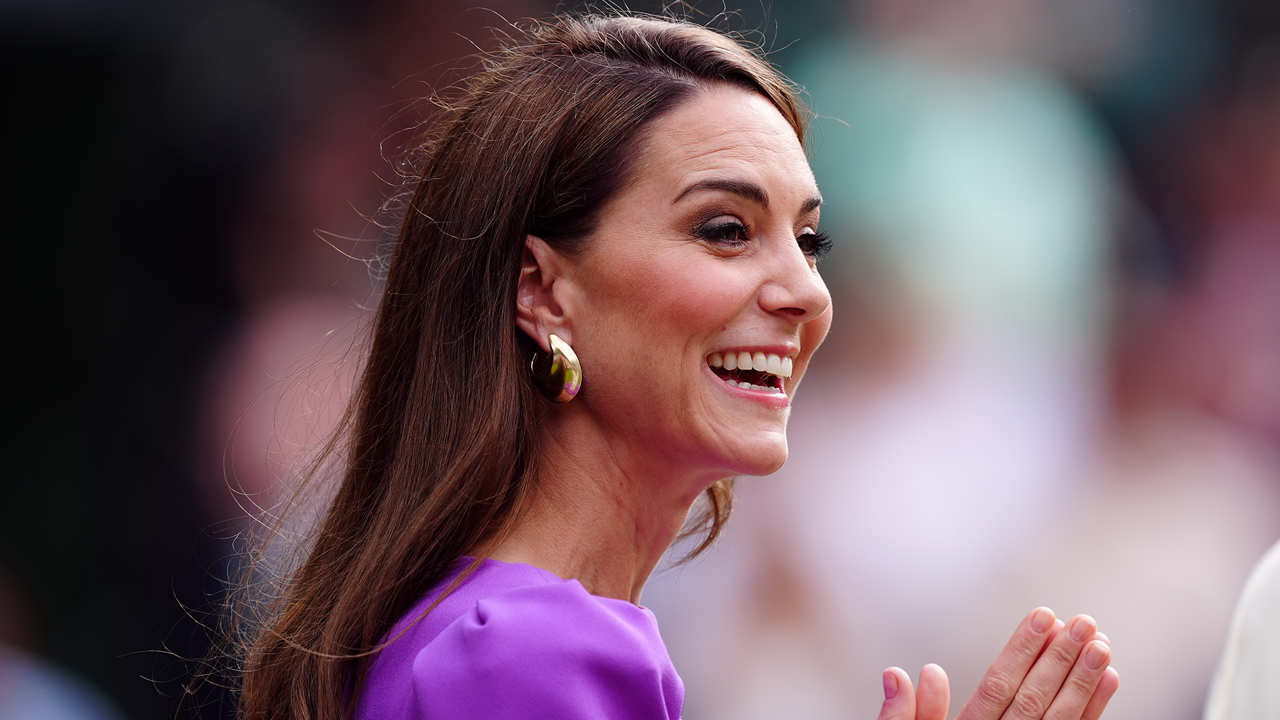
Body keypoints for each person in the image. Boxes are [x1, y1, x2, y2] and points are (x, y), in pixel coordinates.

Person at [235, 13, 1120, 720]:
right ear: (542, 289)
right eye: (725, 230)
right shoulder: (534, 653)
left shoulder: (476, 628)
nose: (808, 294)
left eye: (810, 242)